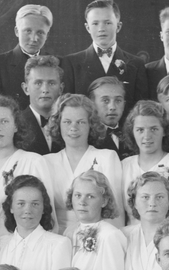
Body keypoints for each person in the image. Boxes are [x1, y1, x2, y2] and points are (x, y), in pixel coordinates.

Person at [0, 95, 52, 237]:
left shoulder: (34, 162)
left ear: (16, 126)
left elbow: (48, 216)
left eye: (4, 121)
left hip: (19, 244)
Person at [43, 94, 124, 230]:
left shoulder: (107, 157)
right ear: (58, 124)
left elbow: (116, 215)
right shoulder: (46, 162)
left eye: (81, 122)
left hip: (96, 239)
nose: (73, 128)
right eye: (67, 122)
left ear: (90, 125)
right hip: (55, 240)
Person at [0, 174, 72, 270]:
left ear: (44, 208)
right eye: (20, 203)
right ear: (11, 207)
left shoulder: (59, 244)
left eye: (35, 204)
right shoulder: (0, 244)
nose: (27, 210)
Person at [65, 170, 127, 270]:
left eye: (90, 196)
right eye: (77, 195)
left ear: (104, 200)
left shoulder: (109, 235)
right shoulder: (69, 232)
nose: (82, 202)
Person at [61, 0, 149, 106]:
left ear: (118, 26)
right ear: (87, 28)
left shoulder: (136, 64)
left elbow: (140, 109)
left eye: (107, 23)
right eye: (95, 23)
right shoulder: (71, 63)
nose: (101, 29)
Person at [120, 100, 169, 221]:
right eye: (140, 130)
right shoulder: (124, 166)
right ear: (132, 132)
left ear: (165, 131)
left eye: (154, 129)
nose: (147, 136)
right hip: (131, 236)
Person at [0, 4, 54, 111]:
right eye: (28, 31)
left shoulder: (56, 63)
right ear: (16, 31)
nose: (34, 38)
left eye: (40, 32)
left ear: (47, 35)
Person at [123, 170, 169, 270]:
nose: (152, 203)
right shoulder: (122, 235)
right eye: (145, 197)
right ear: (134, 202)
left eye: (160, 197)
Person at [18, 55, 61, 155]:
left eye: (51, 83)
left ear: (61, 89)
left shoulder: (68, 123)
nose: (45, 90)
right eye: (38, 83)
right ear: (26, 89)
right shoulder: (16, 124)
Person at [89, 76, 129, 158]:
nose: (112, 107)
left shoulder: (131, 133)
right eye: (105, 100)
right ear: (92, 104)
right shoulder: (88, 136)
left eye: (118, 100)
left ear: (124, 104)